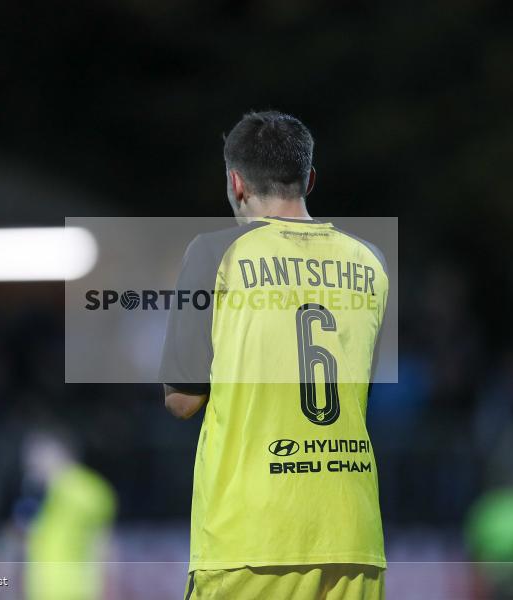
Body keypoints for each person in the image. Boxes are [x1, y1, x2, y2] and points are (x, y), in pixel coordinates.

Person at [160, 111, 389, 599]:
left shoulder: (214, 253)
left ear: (236, 182)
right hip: (353, 535)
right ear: (308, 179)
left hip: (253, 537)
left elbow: (182, 400)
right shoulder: (371, 260)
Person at [22, 427, 116, 600]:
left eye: (38, 454)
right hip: (41, 592)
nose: (31, 462)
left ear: (60, 452)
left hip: (75, 592)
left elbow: (103, 547)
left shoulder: (87, 490)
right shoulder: (39, 495)